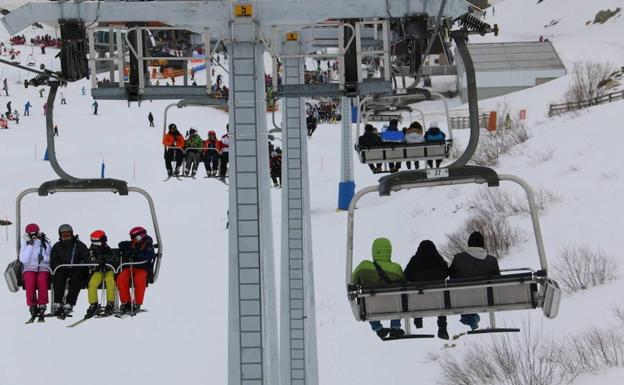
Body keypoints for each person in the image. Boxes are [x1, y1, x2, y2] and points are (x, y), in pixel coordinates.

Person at [351, 237, 405, 339]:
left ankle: (378, 329)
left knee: (367, 301)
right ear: (389, 251)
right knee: (398, 295)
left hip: (372, 307)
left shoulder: (364, 266)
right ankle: (395, 327)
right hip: (393, 306)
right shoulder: (396, 268)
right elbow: (405, 283)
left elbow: (352, 280)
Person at [449, 231, 501, 330]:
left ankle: (470, 318)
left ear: (469, 244)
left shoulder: (458, 258)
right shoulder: (492, 260)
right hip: (487, 298)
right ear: (482, 244)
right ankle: (470, 318)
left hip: (463, 298)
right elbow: (498, 279)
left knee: (465, 294)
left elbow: (452, 276)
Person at [404, 240, 450, 339]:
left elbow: (406, 274)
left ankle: (418, 320)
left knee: (416, 295)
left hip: (419, 297)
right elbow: (446, 272)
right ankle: (442, 327)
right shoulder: (437, 259)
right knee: (441, 300)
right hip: (437, 298)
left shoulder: (415, 260)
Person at [50, 224, 89, 317]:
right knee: (59, 278)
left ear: (71, 233)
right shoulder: (57, 246)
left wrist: (79, 267)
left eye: (67, 233)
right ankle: (58, 303)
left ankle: (69, 303)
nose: (66, 235)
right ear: (60, 235)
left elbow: (85, 258)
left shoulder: (79, 245)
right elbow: (53, 260)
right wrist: (60, 267)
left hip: (76, 270)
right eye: (63, 234)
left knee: (76, 279)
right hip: (62, 269)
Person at [116, 226, 156, 313]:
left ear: (141, 236)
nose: (133, 240)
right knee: (121, 278)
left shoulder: (148, 244)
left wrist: (136, 254)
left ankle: (137, 303)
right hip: (130, 267)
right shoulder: (133, 243)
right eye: (132, 238)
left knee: (139, 280)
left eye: (135, 238)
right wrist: (127, 250)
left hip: (142, 268)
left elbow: (149, 256)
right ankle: (126, 302)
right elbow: (121, 244)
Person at [19, 223, 52, 319]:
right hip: (29, 268)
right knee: (29, 280)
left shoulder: (45, 243)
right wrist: (30, 246)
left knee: (41, 279)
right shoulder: (25, 244)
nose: (33, 236)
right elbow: (23, 259)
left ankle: (42, 304)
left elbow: (51, 257)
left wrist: (43, 258)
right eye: (31, 234)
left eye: (35, 234)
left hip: (43, 267)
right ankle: (32, 304)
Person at [85, 230, 118, 318]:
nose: (105, 241)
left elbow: (113, 259)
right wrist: (98, 263)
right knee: (92, 284)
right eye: (103, 239)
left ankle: (110, 303)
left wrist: (105, 262)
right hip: (98, 271)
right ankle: (94, 304)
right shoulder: (91, 251)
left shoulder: (106, 248)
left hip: (109, 270)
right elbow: (90, 262)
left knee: (110, 281)